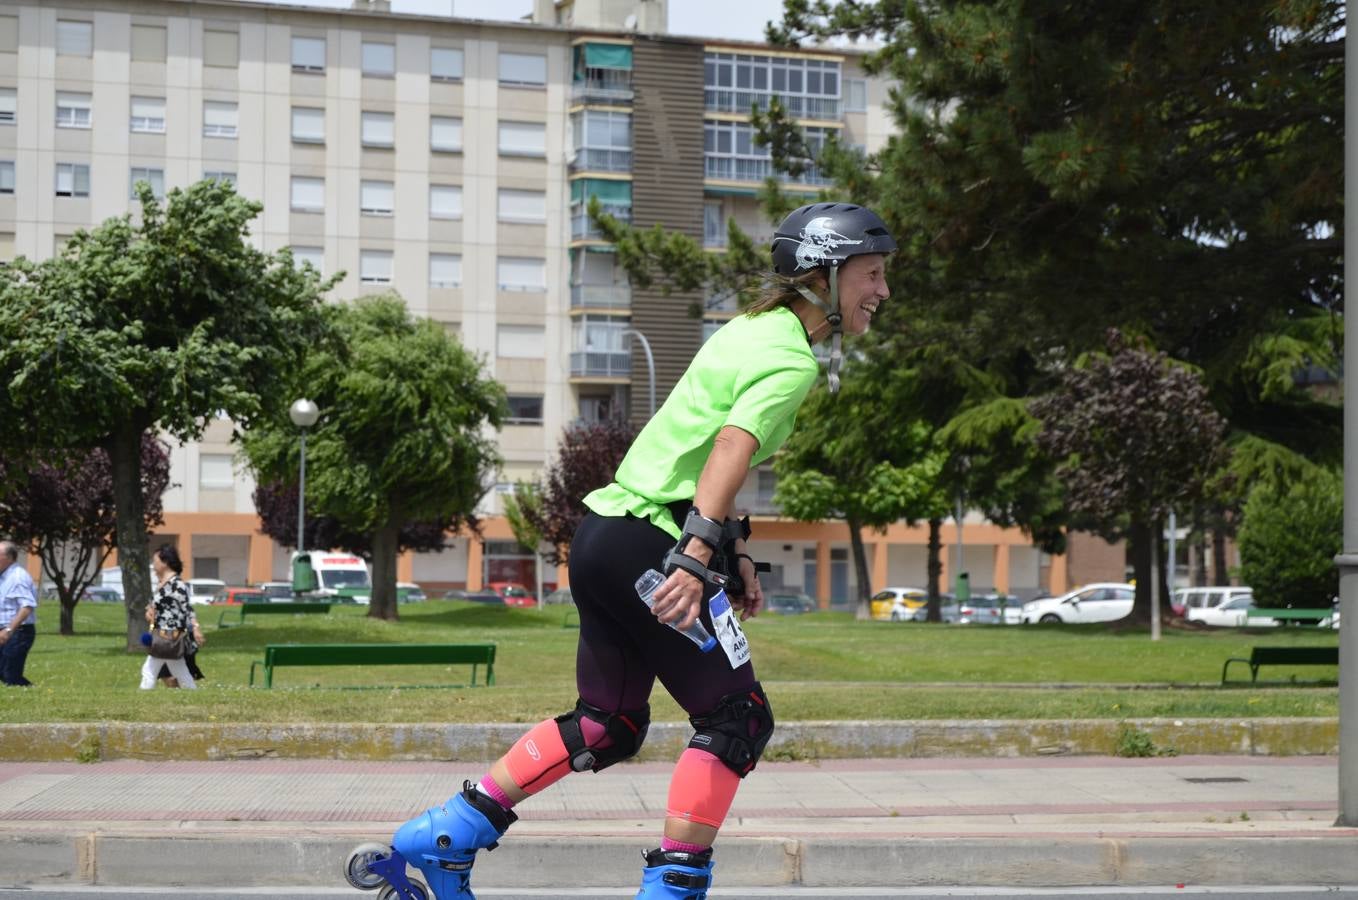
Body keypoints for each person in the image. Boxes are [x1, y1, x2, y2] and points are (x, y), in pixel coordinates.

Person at [357, 203, 895, 900]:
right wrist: (697, 555)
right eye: (873, 274)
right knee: (738, 717)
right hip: (655, 541)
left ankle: (440, 839)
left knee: (606, 723)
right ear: (824, 274)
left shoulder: (749, 330)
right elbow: (731, 448)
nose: (883, 292)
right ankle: (669, 893)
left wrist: (729, 553)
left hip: (606, 536)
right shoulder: (790, 356)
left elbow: (691, 443)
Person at [139, 544, 198, 690]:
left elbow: (187, 608)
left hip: (169, 636)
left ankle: (142, 696)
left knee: (150, 669)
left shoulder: (177, 585)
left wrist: (196, 628)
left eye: (155, 561)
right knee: (179, 670)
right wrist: (149, 611)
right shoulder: (162, 584)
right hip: (164, 635)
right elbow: (156, 605)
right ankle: (193, 692)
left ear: (165, 562)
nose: (153, 565)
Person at [0, 540, 39, 687]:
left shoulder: (17, 577)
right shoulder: (4, 576)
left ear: (9, 557)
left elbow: (27, 606)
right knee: (3, 671)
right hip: (5, 630)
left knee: (10, 673)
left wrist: (8, 631)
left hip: (18, 632)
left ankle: (32, 692)